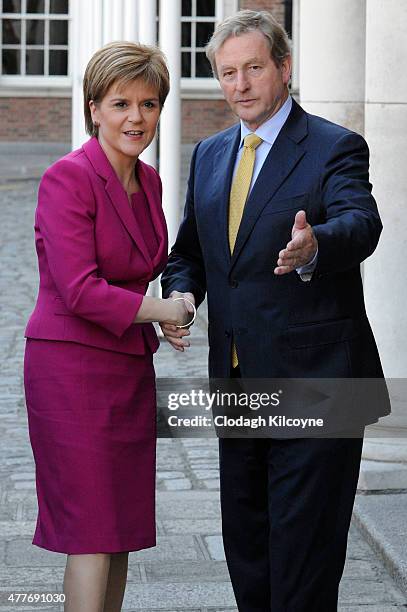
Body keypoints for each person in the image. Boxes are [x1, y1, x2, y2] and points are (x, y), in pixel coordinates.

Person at [161, 10, 390, 612]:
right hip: (239, 385)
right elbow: (191, 252)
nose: (240, 84)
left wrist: (316, 245)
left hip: (319, 383)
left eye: (254, 68)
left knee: (304, 560)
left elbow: (361, 222)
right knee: (250, 550)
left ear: (284, 69)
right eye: (228, 72)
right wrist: (182, 296)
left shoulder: (334, 145)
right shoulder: (210, 155)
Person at [24, 41, 192, 612]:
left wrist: (171, 309)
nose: (135, 118)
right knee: (92, 533)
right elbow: (79, 289)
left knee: (118, 531)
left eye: (148, 104)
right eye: (120, 103)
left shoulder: (151, 184)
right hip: (70, 370)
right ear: (94, 108)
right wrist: (161, 312)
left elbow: (146, 271)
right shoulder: (66, 179)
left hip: (125, 369)